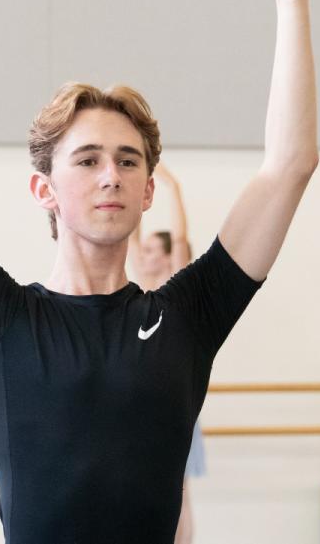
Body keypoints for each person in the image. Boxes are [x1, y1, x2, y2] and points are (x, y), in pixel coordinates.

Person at [0, 0, 318, 540]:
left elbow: (289, 168)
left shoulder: (187, 318)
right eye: (88, 159)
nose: (110, 176)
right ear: (43, 189)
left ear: (148, 190)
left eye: (128, 161)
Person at [125, 164, 205, 544]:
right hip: (145, 395)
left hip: (175, 395)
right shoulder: (142, 280)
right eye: (148, 249)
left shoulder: (175, 280)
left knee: (180, 487)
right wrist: (138, 188)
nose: (148, 254)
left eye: (157, 249)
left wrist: (173, 189)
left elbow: (182, 237)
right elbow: (132, 236)